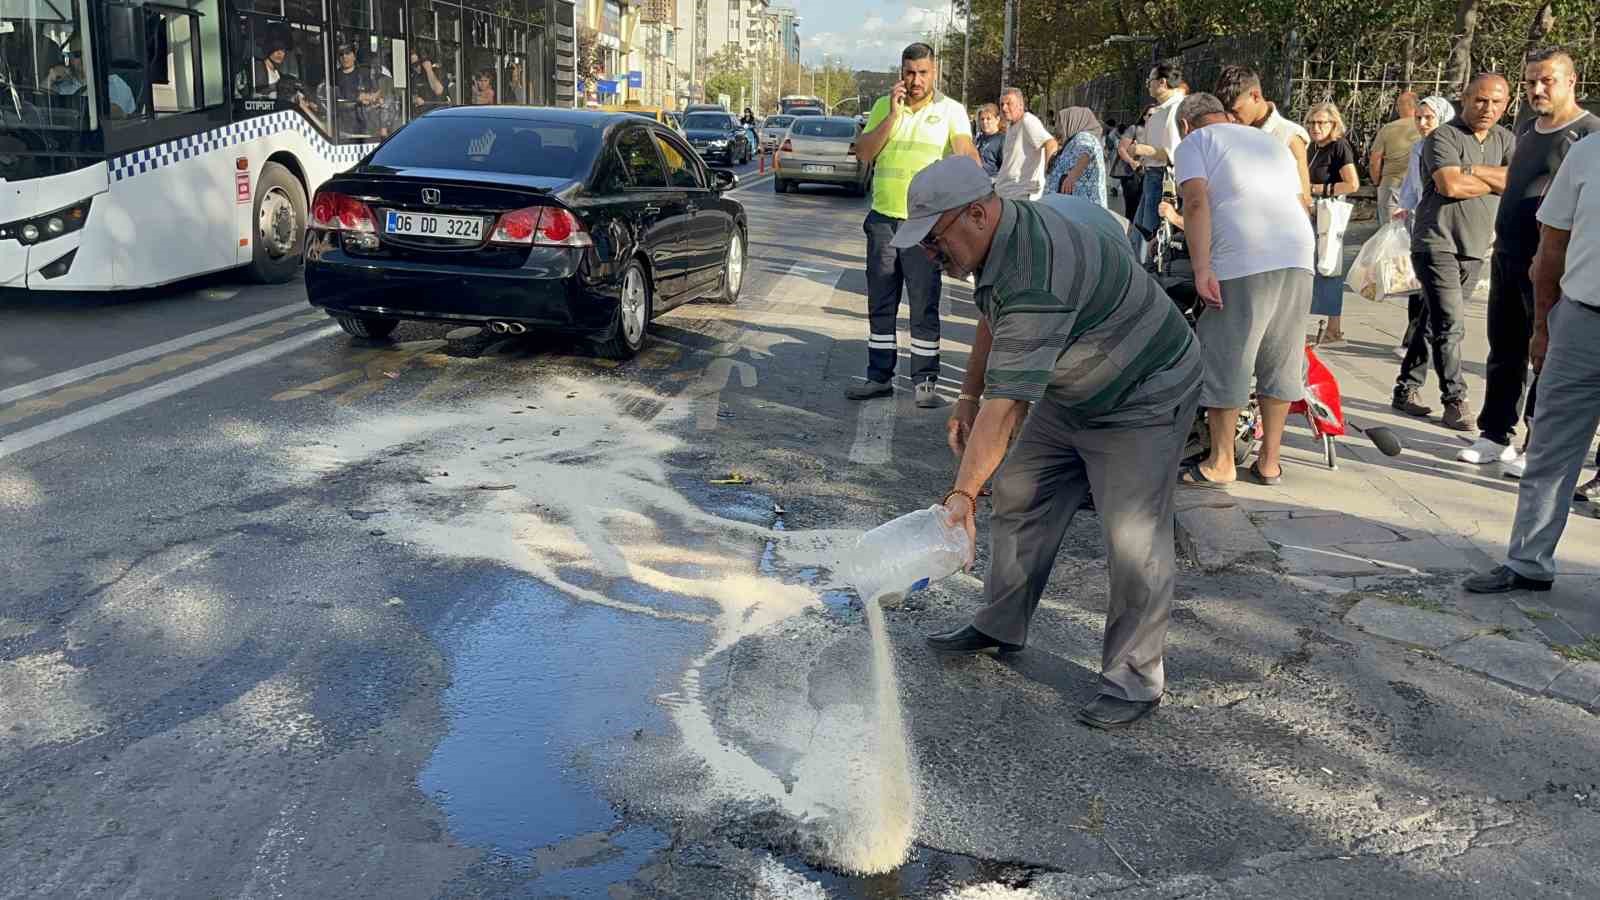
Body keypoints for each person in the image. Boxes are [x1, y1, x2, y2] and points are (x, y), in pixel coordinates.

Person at [906, 156, 1202, 730]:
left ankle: (1135, 678)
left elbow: (1008, 408)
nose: (929, 254)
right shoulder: (1002, 242)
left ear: (975, 213)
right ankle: (1000, 624)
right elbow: (995, 322)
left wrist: (962, 496)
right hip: (1077, 385)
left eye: (934, 239)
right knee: (1019, 489)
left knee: (1132, 534)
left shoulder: (1037, 271)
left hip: (1143, 392)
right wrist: (965, 398)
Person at [1462, 127, 1600, 594]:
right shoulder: (1587, 154)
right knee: (1551, 450)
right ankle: (1528, 562)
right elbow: (1551, 247)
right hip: (1582, 321)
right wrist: (1543, 327)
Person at [1462, 49, 1599, 474]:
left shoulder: (1587, 135)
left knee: (1547, 352)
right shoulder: (1526, 128)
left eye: (1547, 81)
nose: (1537, 90)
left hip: (1553, 263)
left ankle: (1535, 442)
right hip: (1508, 254)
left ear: (1572, 81)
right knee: (1504, 346)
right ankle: (1494, 432)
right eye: (1530, 82)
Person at [1172, 92, 1315, 488]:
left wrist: (1203, 269)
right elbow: (1302, 201)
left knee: (1228, 355)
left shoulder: (1195, 143)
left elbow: (1196, 202)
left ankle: (1222, 462)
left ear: (1186, 123)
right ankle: (1270, 461)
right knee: (1280, 356)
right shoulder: (1272, 142)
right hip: (1298, 252)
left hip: (1243, 256)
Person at [848, 42, 979, 407]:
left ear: (934, 72)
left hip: (924, 228)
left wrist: (975, 172)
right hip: (884, 223)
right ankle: (878, 377)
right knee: (881, 303)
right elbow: (864, 152)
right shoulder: (882, 107)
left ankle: (925, 384)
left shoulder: (951, 110)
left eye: (923, 72)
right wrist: (892, 115)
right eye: (909, 72)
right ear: (900, 73)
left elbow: (965, 150)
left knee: (923, 304)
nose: (916, 79)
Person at [1396, 73, 1514, 432]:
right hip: (1436, 242)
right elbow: (1449, 184)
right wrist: (1491, 179)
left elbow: (1514, 180)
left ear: (1506, 104)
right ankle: (1455, 400)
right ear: (1464, 98)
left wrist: (1472, 170)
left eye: (1496, 102)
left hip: (1476, 245)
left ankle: (1406, 388)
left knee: (1433, 320)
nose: (1487, 108)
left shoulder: (1507, 139)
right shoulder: (1442, 136)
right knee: (1451, 325)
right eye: (1480, 100)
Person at [1391, 95, 1455, 417]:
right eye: (1419, 117)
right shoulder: (1418, 148)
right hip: (1425, 235)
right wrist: (1403, 209)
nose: (1423, 123)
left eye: (1429, 117)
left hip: (1454, 236)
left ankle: (1408, 385)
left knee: (1435, 317)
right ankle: (1447, 394)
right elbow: (1411, 188)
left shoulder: (1454, 146)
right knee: (1434, 315)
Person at [1213, 65, 1311, 209]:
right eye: (1227, 113)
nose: (1232, 118)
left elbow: (1303, 200)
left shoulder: (1289, 136)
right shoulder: (1231, 132)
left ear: (1255, 96)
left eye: (1236, 111)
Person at [1304, 102, 1360, 342]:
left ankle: (1334, 327)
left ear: (1333, 124)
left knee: (1329, 265)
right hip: (1311, 211)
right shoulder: (1311, 148)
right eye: (1312, 122)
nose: (1316, 127)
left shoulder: (1339, 147)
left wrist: (1317, 188)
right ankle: (1327, 324)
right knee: (1315, 265)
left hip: (1328, 213)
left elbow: (1352, 183)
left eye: (1321, 123)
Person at [1129, 63, 1186, 241]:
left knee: (1149, 233)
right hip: (1152, 175)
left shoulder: (1175, 108)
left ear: (1162, 82)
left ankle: (1149, 267)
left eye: (1150, 81)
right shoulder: (1162, 109)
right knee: (1140, 231)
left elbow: (1173, 153)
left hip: (1161, 177)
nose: (1148, 85)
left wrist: (1144, 150)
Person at [993, 87, 1057, 200]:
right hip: (1006, 193)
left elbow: (1051, 143)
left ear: (1021, 105)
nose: (1004, 107)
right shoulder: (1011, 125)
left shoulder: (1028, 121)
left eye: (1009, 103)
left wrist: (1049, 173)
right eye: (1002, 104)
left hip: (1020, 195)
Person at [1371, 92, 1421, 223]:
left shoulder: (1387, 129)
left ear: (1398, 108)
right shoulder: (1424, 127)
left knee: (1389, 231)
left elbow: (1375, 160)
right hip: (1417, 184)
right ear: (1416, 106)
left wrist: (1377, 182)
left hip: (1391, 183)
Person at [1044, 107, 1107, 207]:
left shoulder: (1085, 137)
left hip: (1081, 207)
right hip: (1073, 205)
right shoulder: (1073, 140)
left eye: (1061, 123)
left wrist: (1073, 175)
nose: (1058, 127)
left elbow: (1087, 151)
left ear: (1072, 121)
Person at [1115, 106, 1152, 220]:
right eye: (1150, 115)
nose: (1153, 118)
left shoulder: (1160, 132)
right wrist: (1131, 162)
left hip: (1151, 172)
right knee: (1132, 206)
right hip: (1133, 172)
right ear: (1144, 116)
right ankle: (1130, 232)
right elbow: (1121, 148)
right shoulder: (1134, 129)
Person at [974, 103, 1005, 177]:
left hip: (992, 183)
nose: (984, 122)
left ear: (997, 119)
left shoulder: (1002, 140)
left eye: (988, 119)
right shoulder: (979, 138)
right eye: (982, 119)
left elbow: (1005, 168)